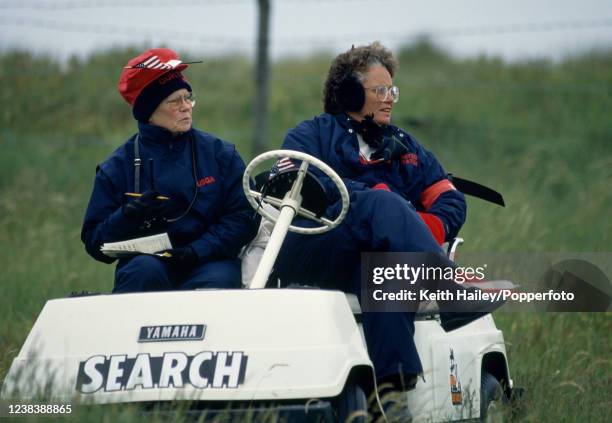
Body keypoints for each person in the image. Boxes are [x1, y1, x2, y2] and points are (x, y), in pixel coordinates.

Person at [271, 42, 504, 397]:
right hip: (314, 250)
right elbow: (299, 186)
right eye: (379, 90)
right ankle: (449, 292)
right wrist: (382, 201)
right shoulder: (309, 134)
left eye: (392, 89)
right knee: (382, 202)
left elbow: (450, 200)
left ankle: (394, 396)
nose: (390, 98)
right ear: (349, 94)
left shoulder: (405, 146)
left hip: (368, 260)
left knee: (388, 272)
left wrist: (409, 226)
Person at [81, 48, 258, 293]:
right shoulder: (117, 167)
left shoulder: (221, 154)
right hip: (147, 264)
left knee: (217, 283)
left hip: (208, 260)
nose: (186, 107)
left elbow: (243, 217)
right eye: (175, 101)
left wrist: (197, 251)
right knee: (142, 272)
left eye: (188, 97)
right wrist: (127, 215)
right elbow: (94, 242)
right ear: (149, 112)